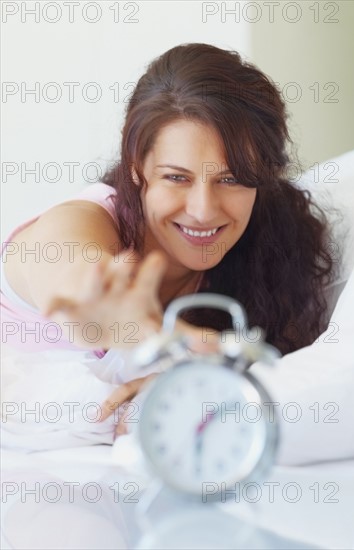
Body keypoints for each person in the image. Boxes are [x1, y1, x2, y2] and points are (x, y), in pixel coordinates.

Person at [1, 43, 334, 423]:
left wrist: (181, 384)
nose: (203, 210)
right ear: (135, 166)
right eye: (177, 177)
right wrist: (129, 324)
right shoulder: (81, 221)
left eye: (232, 180)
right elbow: (70, 267)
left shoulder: (271, 255)